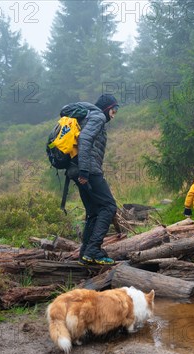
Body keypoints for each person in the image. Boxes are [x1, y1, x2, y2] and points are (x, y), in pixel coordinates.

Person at [62, 94, 119, 265]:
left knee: (94, 212)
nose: (114, 114)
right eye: (114, 110)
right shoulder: (98, 116)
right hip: (87, 169)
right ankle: (94, 250)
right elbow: (84, 139)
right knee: (109, 207)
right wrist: (85, 171)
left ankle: (85, 254)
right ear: (107, 108)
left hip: (75, 168)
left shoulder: (88, 117)